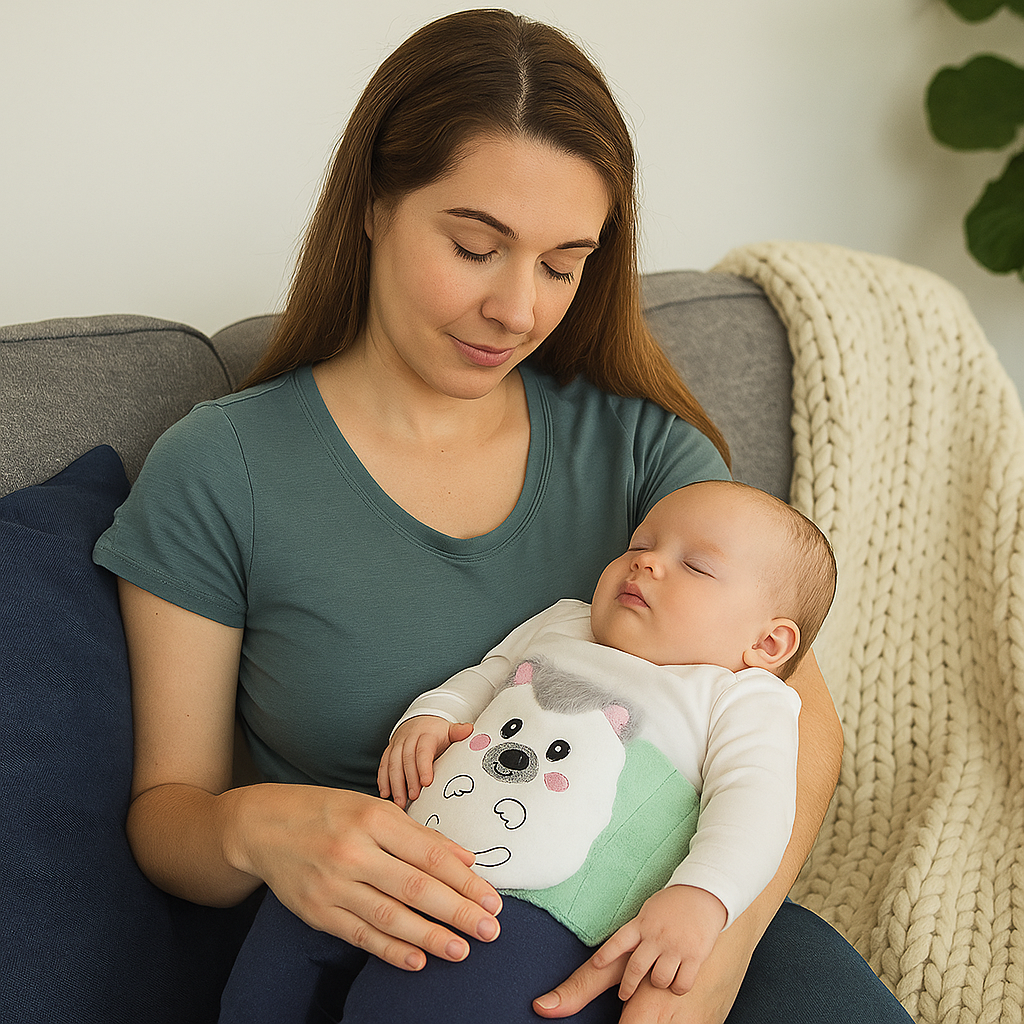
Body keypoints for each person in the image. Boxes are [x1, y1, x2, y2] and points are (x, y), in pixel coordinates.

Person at [93, 9, 913, 1023]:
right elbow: (167, 811)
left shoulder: (646, 455)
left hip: (665, 930)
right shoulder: (224, 466)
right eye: (477, 246)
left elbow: (795, 734)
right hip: (402, 943)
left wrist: (690, 985)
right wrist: (259, 830)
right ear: (373, 207)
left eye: (563, 263)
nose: (518, 309)